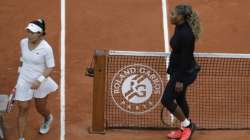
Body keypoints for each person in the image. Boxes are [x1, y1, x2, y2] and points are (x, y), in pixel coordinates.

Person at [161, 4, 201, 140]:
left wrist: (179, 81)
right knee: (179, 98)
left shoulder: (186, 35)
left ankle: (188, 126)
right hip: (178, 70)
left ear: (181, 17)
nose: (171, 16)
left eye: (174, 14)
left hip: (183, 73)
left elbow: (185, 60)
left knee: (166, 99)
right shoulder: (179, 27)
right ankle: (184, 129)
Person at [15, 19, 58, 140]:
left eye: (32, 32)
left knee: (40, 107)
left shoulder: (46, 49)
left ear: (40, 33)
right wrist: (20, 73)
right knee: (23, 108)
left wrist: (39, 80)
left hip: (40, 81)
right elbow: (23, 59)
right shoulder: (23, 42)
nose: (29, 35)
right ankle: (21, 138)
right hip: (24, 79)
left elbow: (50, 67)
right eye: (28, 31)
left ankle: (48, 118)